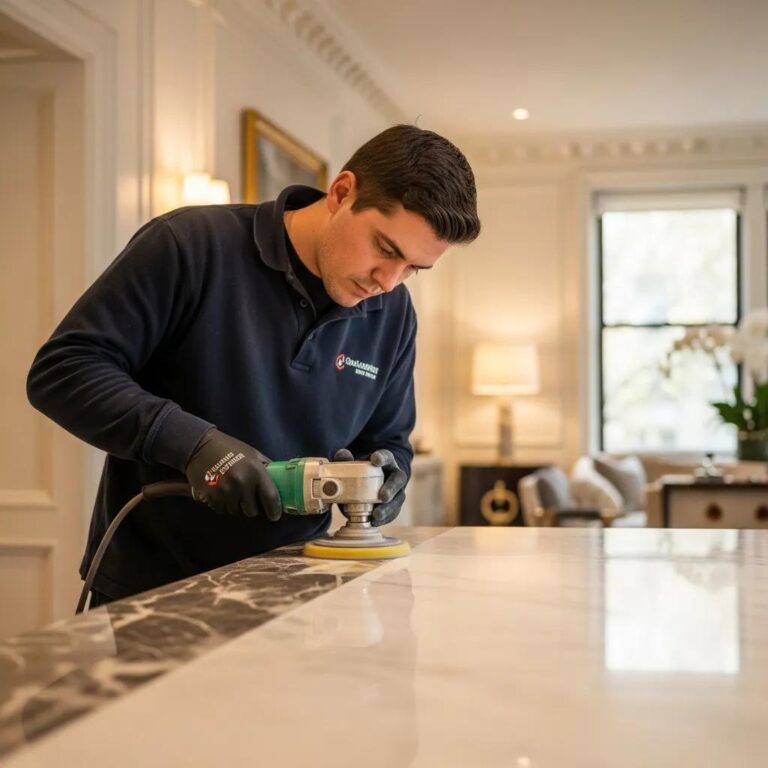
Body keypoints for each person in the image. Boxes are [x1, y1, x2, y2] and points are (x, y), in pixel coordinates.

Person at [26, 124, 481, 605]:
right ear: (342, 193)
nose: (387, 281)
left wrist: (389, 476)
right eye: (386, 250)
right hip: (157, 586)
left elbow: (387, 440)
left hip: (303, 585)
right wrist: (194, 445)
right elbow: (64, 369)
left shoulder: (392, 313)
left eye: (412, 268)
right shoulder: (190, 245)